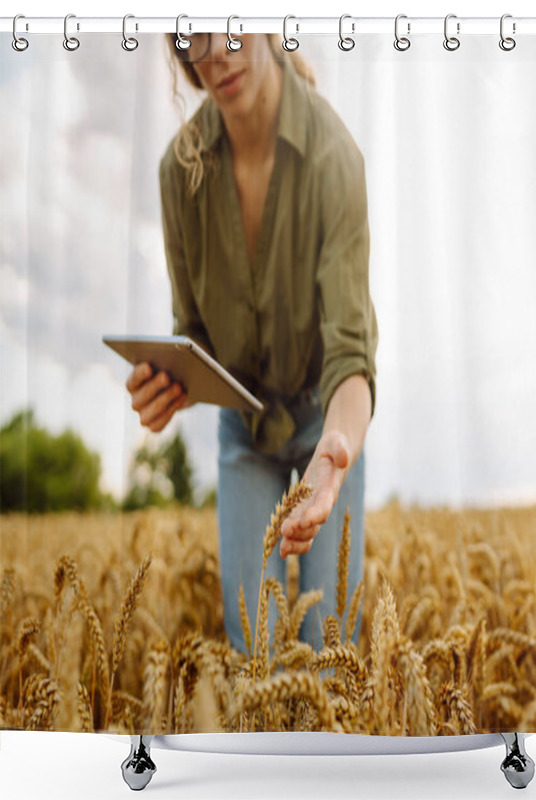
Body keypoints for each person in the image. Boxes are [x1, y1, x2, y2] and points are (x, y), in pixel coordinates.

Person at [124, 32, 378, 656]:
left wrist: (335, 450)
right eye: (190, 37)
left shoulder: (333, 156)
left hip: (327, 420)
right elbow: (194, 335)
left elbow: (351, 353)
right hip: (244, 429)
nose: (213, 54)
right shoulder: (176, 171)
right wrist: (171, 387)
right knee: (252, 652)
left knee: (330, 649)